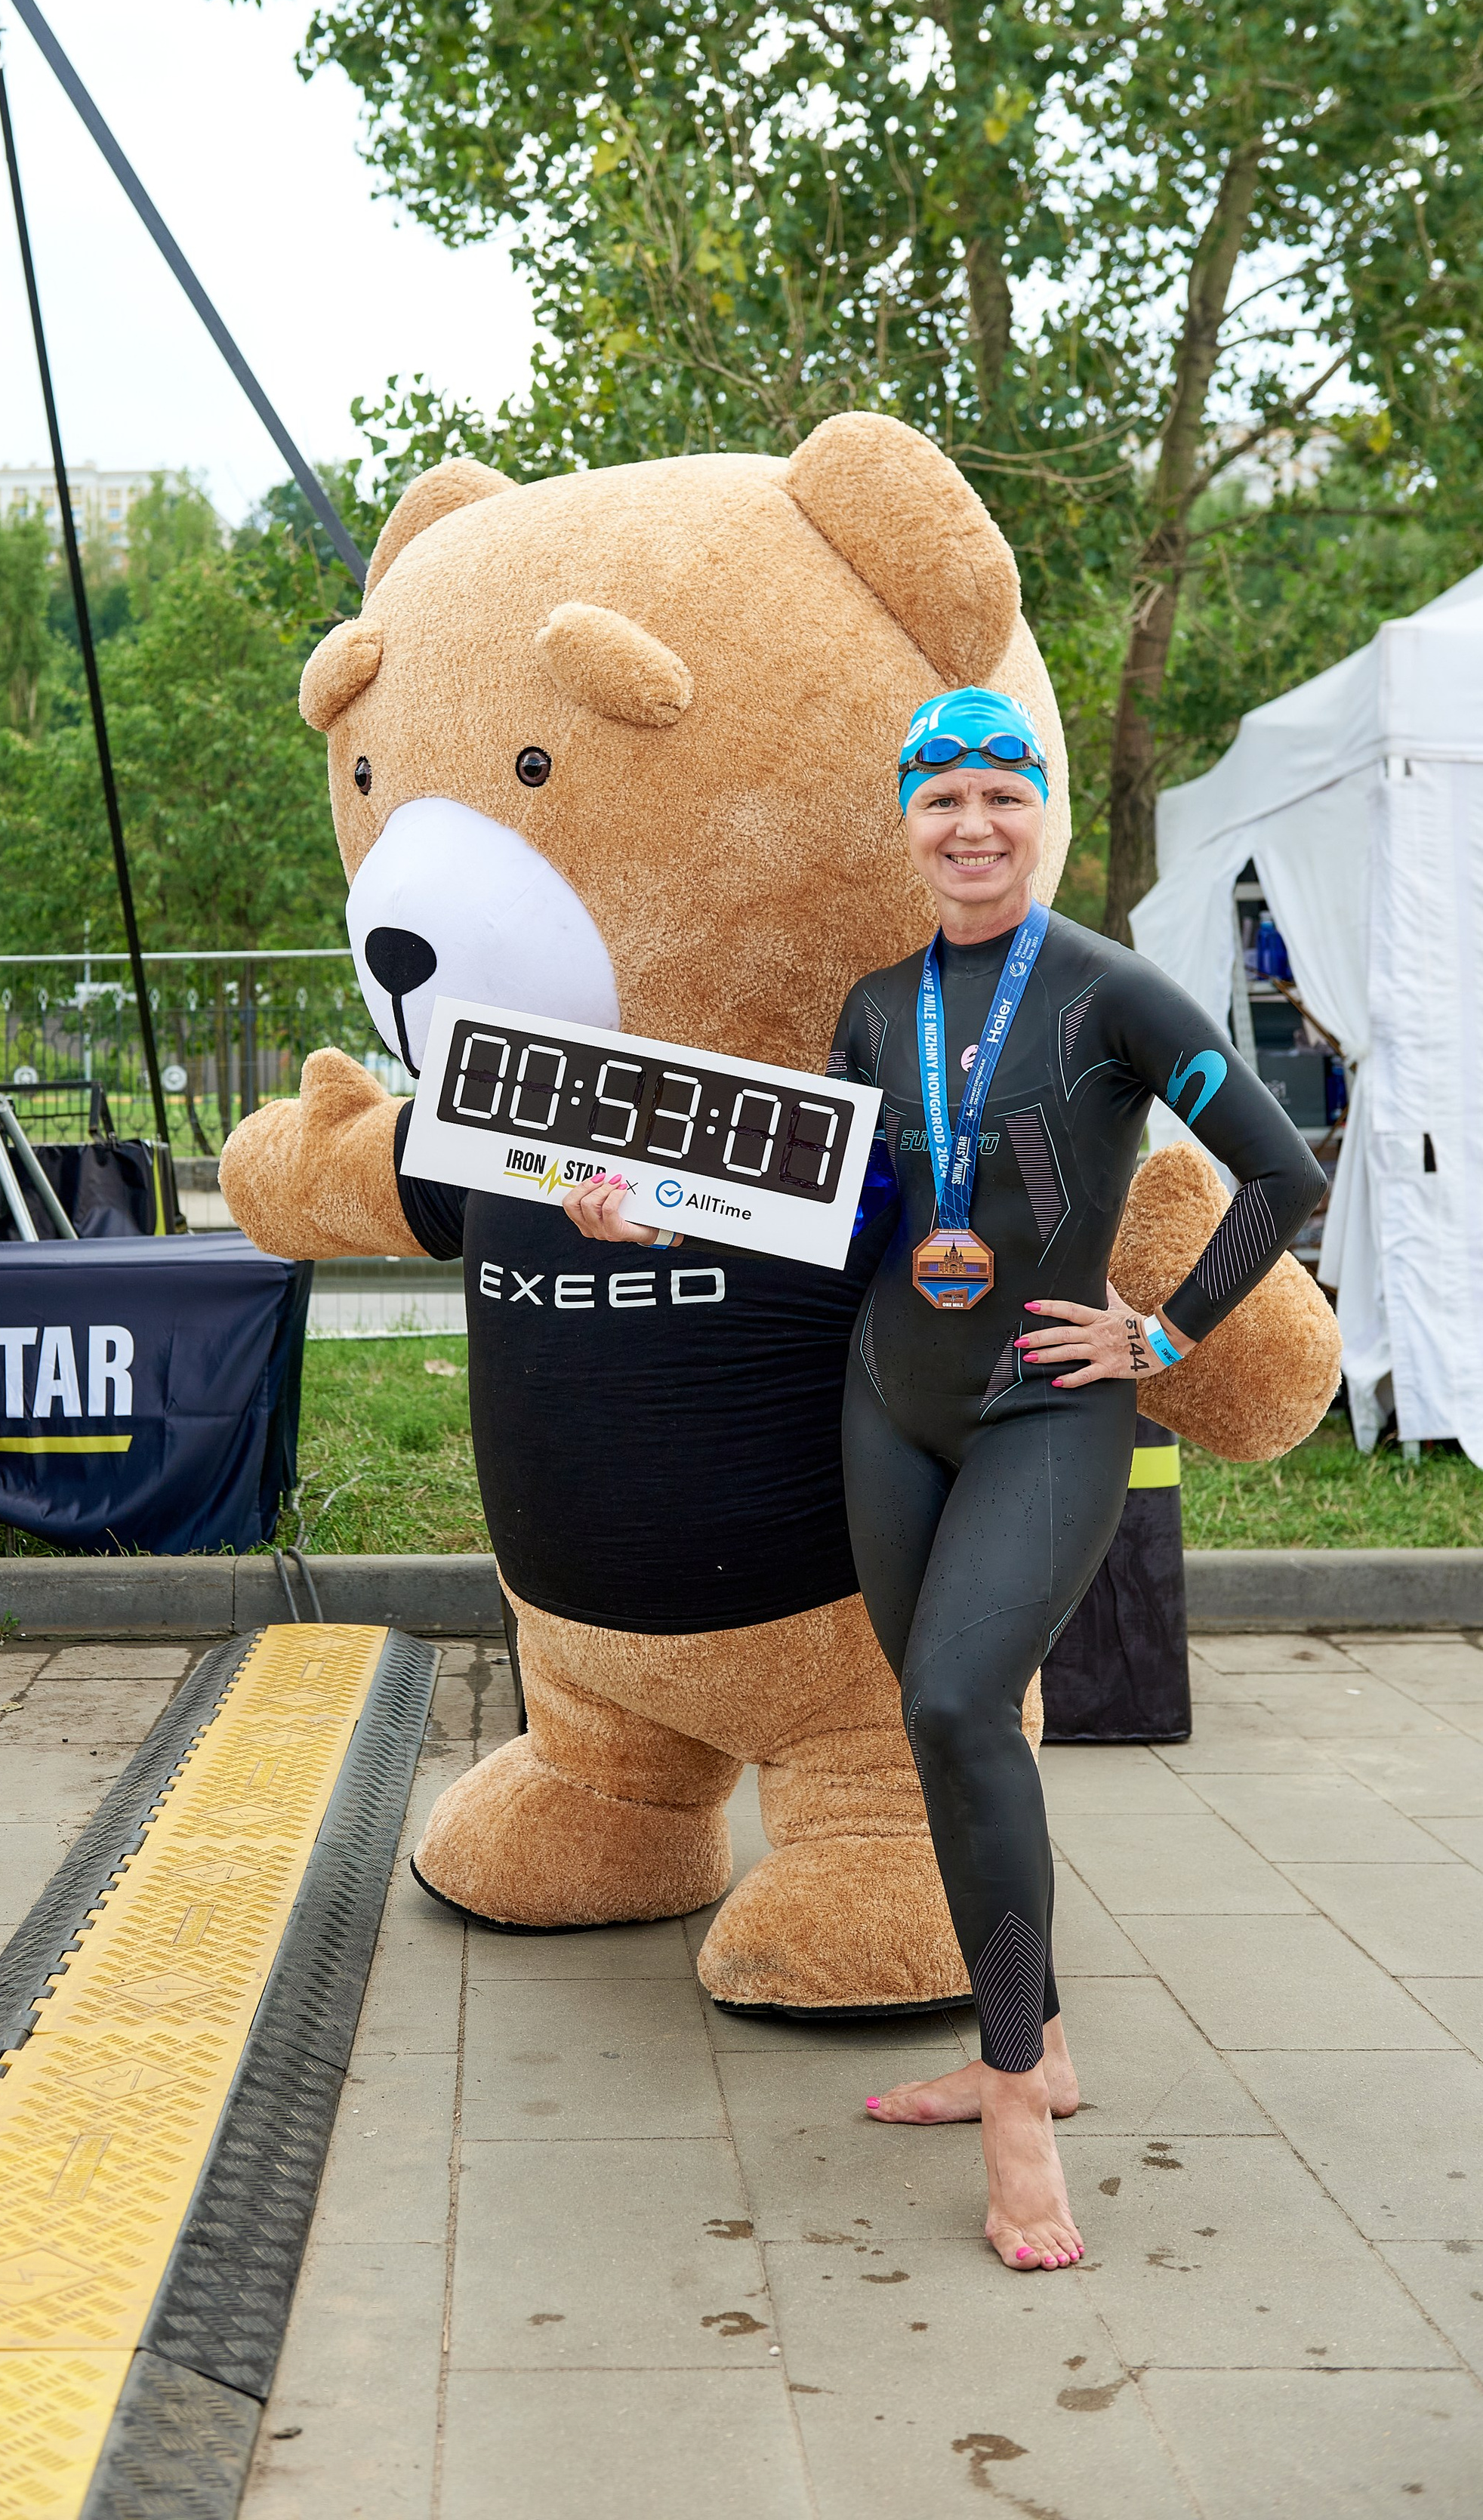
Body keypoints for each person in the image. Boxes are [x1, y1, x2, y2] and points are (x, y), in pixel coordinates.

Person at [566, 683, 1324, 2273]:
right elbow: (846, 1221)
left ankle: (1013, 2114)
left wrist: (1164, 1331)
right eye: (938, 798)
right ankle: (1030, 2031)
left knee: (957, 1711)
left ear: (1036, 813)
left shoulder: (1112, 996)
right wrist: (651, 1208)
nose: (968, 824)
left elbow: (1283, 1168)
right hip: (885, 1409)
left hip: (1045, 1411)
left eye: (997, 794)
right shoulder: (868, 1006)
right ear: (904, 824)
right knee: (939, 1720)